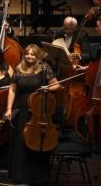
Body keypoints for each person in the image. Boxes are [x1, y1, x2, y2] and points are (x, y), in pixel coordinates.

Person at [4, 44, 61, 185]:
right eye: (27, 54)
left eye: (33, 54)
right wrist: (9, 109)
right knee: (20, 142)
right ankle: (19, 175)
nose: (29, 56)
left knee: (35, 141)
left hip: (38, 111)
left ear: (37, 56)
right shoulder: (18, 68)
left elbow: (56, 85)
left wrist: (47, 88)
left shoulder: (44, 68)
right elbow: (12, 90)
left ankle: (37, 176)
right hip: (21, 109)